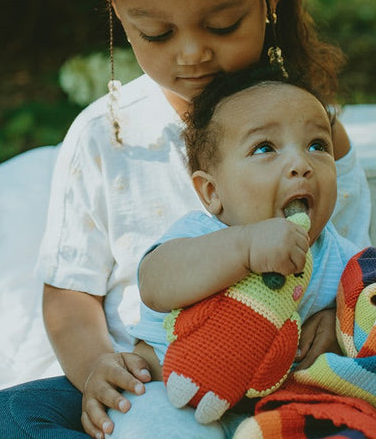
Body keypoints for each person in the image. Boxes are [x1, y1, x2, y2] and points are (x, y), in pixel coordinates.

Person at [0, 0, 371, 439]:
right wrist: (96, 368)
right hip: (151, 379)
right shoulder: (105, 135)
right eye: (155, 33)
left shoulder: (312, 132)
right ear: (116, 9)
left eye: (223, 24)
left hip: (284, 376)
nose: (190, 54)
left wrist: (338, 317)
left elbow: (362, 257)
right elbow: (69, 294)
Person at [120, 66, 361, 436]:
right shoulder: (203, 234)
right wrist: (245, 248)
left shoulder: (337, 253)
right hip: (170, 393)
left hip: (275, 407)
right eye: (265, 148)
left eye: (317, 145)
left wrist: (339, 323)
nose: (301, 165)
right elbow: (154, 283)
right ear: (212, 193)